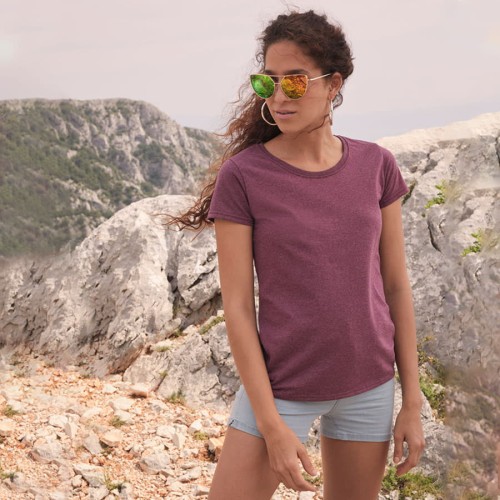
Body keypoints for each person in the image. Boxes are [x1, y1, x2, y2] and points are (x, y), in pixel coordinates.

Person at [165, 9, 425, 499]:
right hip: (281, 389)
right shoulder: (244, 177)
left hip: (369, 386)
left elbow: (394, 285)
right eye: (268, 82)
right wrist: (271, 426)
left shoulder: (376, 165)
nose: (280, 96)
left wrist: (411, 401)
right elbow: (237, 307)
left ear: (334, 84)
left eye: (296, 81)